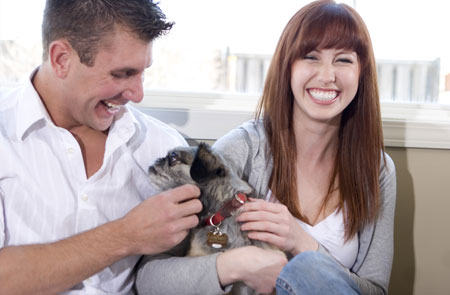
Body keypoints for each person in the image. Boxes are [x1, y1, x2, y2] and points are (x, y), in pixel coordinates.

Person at [136, 0, 396, 294]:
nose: (327, 75)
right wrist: (235, 264)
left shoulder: (377, 169)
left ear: (362, 73)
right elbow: (150, 279)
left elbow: (375, 290)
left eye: (344, 60)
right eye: (311, 56)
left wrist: (302, 244)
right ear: (287, 67)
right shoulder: (240, 152)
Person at [0, 1, 202, 294]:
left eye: (142, 73)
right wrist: (125, 236)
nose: (138, 94)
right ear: (61, 59)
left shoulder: (161, 147)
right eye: (122, 74)